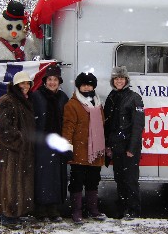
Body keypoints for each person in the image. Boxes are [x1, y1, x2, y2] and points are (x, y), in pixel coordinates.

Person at [0, 71, 35, 229]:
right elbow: (2, 127)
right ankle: (8, 215)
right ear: (15, 85)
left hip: (17, 152)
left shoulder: (22, 100)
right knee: (10, 183)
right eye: (22, 83)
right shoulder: (8, 100)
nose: (25, 86)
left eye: (28, 83)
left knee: (7, 183)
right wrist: (19, 141)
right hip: (11, 152)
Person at [62, 72, 106, 224]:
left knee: (93, 181)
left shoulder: (98, 104)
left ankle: (93, 210)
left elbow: (102, 126)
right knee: (77, 182)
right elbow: (68, 128)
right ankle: (76, 211)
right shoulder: (72, 104)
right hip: (79, 151)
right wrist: (67, 147)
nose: (87, 87)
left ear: (93, 86)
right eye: (83, 85)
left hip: (95, 152)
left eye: (89, 84)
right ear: (79, 86)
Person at [103, 66, 145, 220]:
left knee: (130, 180)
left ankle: (134, 210)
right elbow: (107, 123)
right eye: (116, 78)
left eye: (121, 78)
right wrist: (107, 144)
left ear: (126, 80)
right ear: (113, 81)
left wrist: (132, 148)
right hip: (116, 146)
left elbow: (138, 125)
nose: (119, 81)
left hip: (128, 147)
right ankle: (122, 207)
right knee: (119, 179)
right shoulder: (111, 97)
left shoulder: (134, 98)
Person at [31, 65, 72, 222]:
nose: (52, 82)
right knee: (42, 177)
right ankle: (41, 209)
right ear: (45, 81)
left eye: (55, 80)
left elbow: (67, 122)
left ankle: (54, 209)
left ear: (59, 81)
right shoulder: (36, 96)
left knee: (57, 177)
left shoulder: (63, 97)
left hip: (58, 142)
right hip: (42, 143)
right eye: (50, 79)